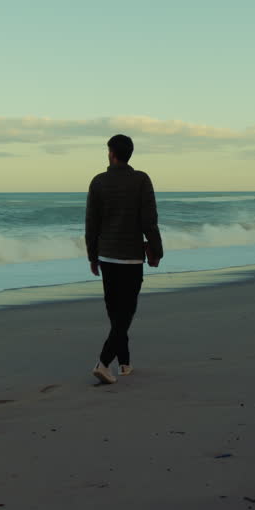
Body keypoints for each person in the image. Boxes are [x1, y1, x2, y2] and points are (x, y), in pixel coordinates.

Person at [84, 134, 163, 384]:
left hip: (107, 257)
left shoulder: (98, 181)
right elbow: (149, 221)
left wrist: (92, 256)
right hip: (131, 258)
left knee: (116, 314)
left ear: (111, 153)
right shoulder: (141, 180)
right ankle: (104, 362)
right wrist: (157, 251)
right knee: (124, 315)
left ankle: (125, 362)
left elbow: (91, 224)